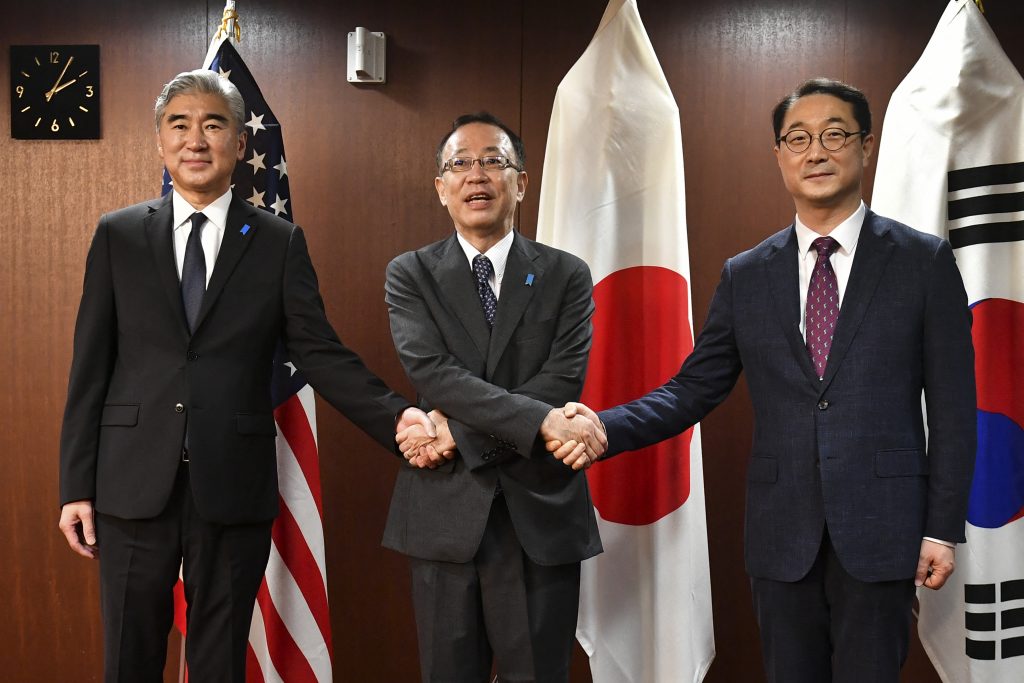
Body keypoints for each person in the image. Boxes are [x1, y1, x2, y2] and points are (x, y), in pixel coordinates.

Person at [552, 78, 976, 683]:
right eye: (797, 138)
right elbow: (692, 389)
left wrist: (942, 527)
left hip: (887, 527)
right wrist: (602, 427)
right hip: (783, 532)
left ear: (866, 147)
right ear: (779, 155)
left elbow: (957, 409)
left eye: (835, 135)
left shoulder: (923, 261)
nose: (816, 152)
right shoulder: (747, 274)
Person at [56, 69, 432, 682]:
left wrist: (399, 417)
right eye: (179, 125)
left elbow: (320, 352)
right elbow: (90, 367)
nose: (195, 139)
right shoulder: (117, 235)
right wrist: (76, 485)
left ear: (240, 142)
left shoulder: (279, 242)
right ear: (160, 142)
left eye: (213, 124)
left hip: (231, 483)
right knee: (129, 657)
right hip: (127, 483)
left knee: (219, 661)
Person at [384, 112, 607, 682]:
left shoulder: (566, 274)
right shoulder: (410, 273)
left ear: (521, 182)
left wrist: (456, 432)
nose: (476, 176)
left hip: (539, 511)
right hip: (444, 512)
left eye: (493, 161)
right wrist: (537, 422)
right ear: (441, 187)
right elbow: (434, 375)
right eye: (459, 164)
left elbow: (561, 383)